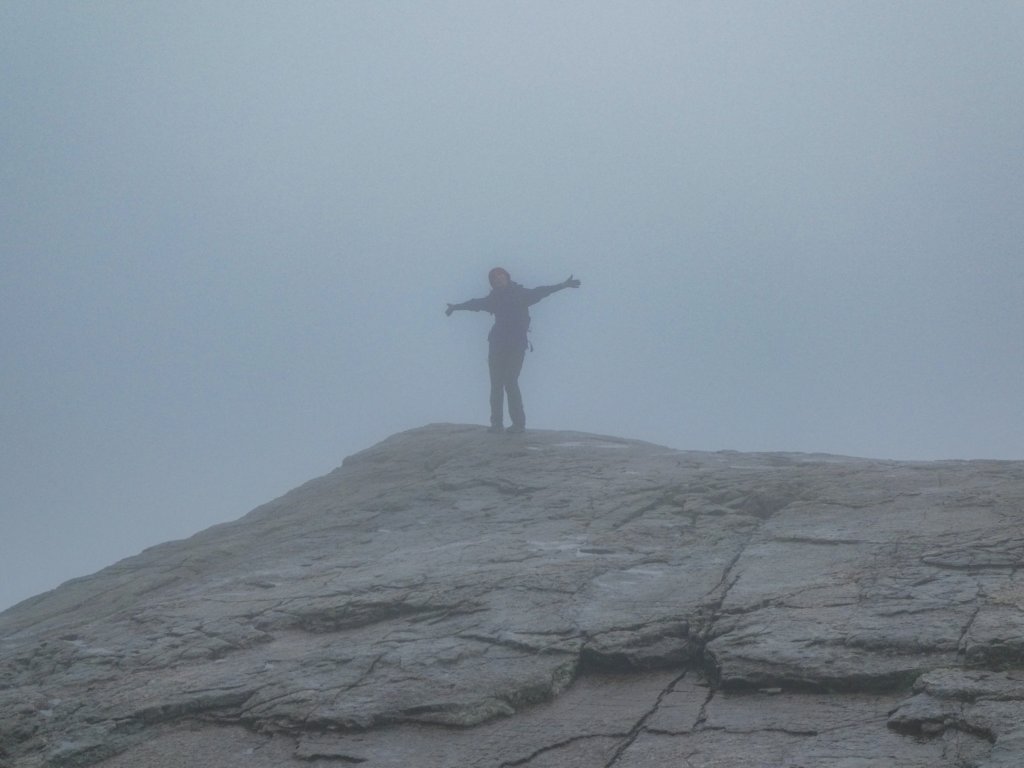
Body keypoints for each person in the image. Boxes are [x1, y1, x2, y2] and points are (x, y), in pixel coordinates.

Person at [446, 268, 581, 434]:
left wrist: (563, 285)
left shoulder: (521, 294)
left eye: (500, 276)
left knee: (510, 381)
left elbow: (542, 291)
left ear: (507, 277)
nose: (498, 279)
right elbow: (475, 303)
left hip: (516, 345)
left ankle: (518, 424)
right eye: (494, 278)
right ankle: (496, 424)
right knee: (496, 384)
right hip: (497, 344)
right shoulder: (493, 299)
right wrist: (456, 307)